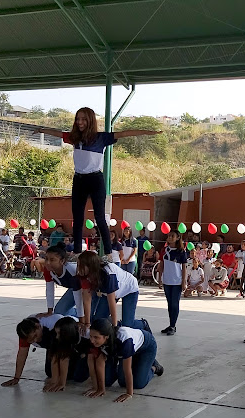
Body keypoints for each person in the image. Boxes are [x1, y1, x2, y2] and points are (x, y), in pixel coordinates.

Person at [39, 109, 160, 257]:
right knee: (77, 218)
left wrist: (148, 132)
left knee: (100, 217)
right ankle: (77, 251)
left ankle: (108, 253)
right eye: (78, 119)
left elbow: (124, 133)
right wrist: (41, 129)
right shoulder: (74, 137)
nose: (80, 122)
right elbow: (57, 133)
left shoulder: (101, 138)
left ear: (90, 121)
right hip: (79, 179)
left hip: (95, 179)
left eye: (83, 119)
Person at [83, 318, 163, 402]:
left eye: (96, 337)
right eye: (91, 336)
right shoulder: (95, 339)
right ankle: (140, 364)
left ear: (106, 336)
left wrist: (129, 393)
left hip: (146, 348)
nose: (92, 340)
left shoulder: (124, 339)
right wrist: (98, 388)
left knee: (138, 383)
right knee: (110, 381)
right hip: (122, 352)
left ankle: (154, 367)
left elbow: (127, 369)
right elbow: (98, 364)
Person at [1, 314, 81, 388]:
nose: (35, 340)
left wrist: (57, 382)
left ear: (38, 326)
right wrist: (16, 378)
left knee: (75, 375)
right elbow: (22, 354)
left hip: (72, 340)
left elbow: (60, 355)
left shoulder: (53, 326)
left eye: (35, 335)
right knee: (50, 372)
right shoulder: (24, 332)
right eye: (31, 340)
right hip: (52, 345)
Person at [77, 250, 143, 329]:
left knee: (127, 326)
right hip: (109, 293)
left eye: (80, 265)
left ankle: (142, 324)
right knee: (98, 320)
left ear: (90, 266)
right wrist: (87, 323)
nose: (78, 269)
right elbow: (87, 300)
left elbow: (112, 302)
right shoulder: (84, 275)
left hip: (129, 289)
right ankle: (114, 324)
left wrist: (114, 327)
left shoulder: (108, 273)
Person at [157, 231, 187, 336]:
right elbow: (161, 265)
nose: (170, 238)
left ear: (178, 238)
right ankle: (170, 324)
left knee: (175, 304)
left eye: (172, 236)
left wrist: (183, 282)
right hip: (167, 280)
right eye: (169, 236)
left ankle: (173, 325)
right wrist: (160, 280)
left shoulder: (181, 251)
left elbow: (184, 268)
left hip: (177, 281)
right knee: (169, 304)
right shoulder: (164, 250)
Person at [42, 245, 84, 317]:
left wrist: (82, 318)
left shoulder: (72, 270)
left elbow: (78, 295)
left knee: (91, 316)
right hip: (75, 289)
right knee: (59, 312)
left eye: (52, 260)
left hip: (89, 289)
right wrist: (50, 311)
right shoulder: (48, 270)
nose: (48, 263)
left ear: (62, 261)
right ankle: (78, 314)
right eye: (46, 259)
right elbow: (49, 290)